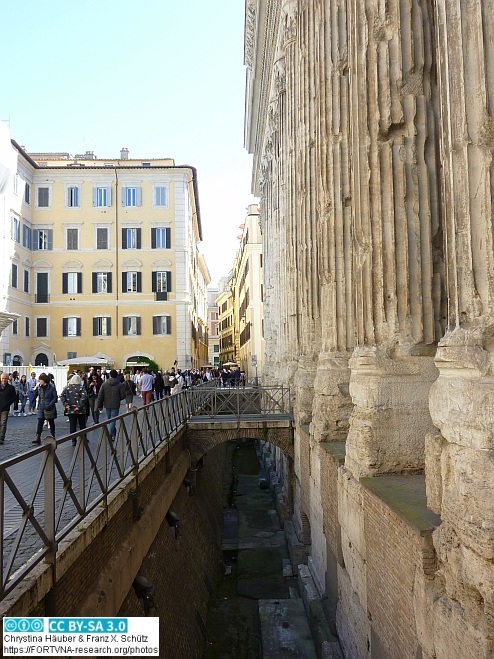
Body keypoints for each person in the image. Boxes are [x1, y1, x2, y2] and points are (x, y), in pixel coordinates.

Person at [60, 374, 88, 445]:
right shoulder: (81, 387)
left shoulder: (67, 388)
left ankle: (73, 440)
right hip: (80, 410)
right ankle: (83, 438)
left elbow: (62, 396)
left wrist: (66, 404)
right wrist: (79, 406)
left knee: (72, 425)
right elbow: (84, 396)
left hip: (70, 409)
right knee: (82, 424)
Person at [97, 369, 125, 439]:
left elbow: (100, 395)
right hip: (115, 404)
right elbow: (123, 395)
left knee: (110, 419)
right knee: (113, 420)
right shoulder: (119, 384)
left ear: (109, 375)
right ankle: (112, 434)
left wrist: (99, 405)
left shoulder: (104, 384)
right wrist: (118, 398)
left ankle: (111, 434)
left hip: (107, 404)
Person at [32, 373, 58, 445]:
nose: (39, 381)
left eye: (40, 380)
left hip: (49, 407)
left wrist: (50, 404)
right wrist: (36, 389)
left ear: (44, 381)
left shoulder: (51, 388)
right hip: (41, 406)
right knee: (40, 421)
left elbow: (55, 397)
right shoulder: (40, 388)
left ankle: (53, 435)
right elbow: (37, 396)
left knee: (51, 421)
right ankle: (38, 437)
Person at [0, 373, 17, 445]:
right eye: (2, 378)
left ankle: (1, 438)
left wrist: (7, 403)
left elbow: (13, 398)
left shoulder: (11, 388)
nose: (4, 380)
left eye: (5, 378)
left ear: (7, 379)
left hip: (5, 408)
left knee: (3, 423)